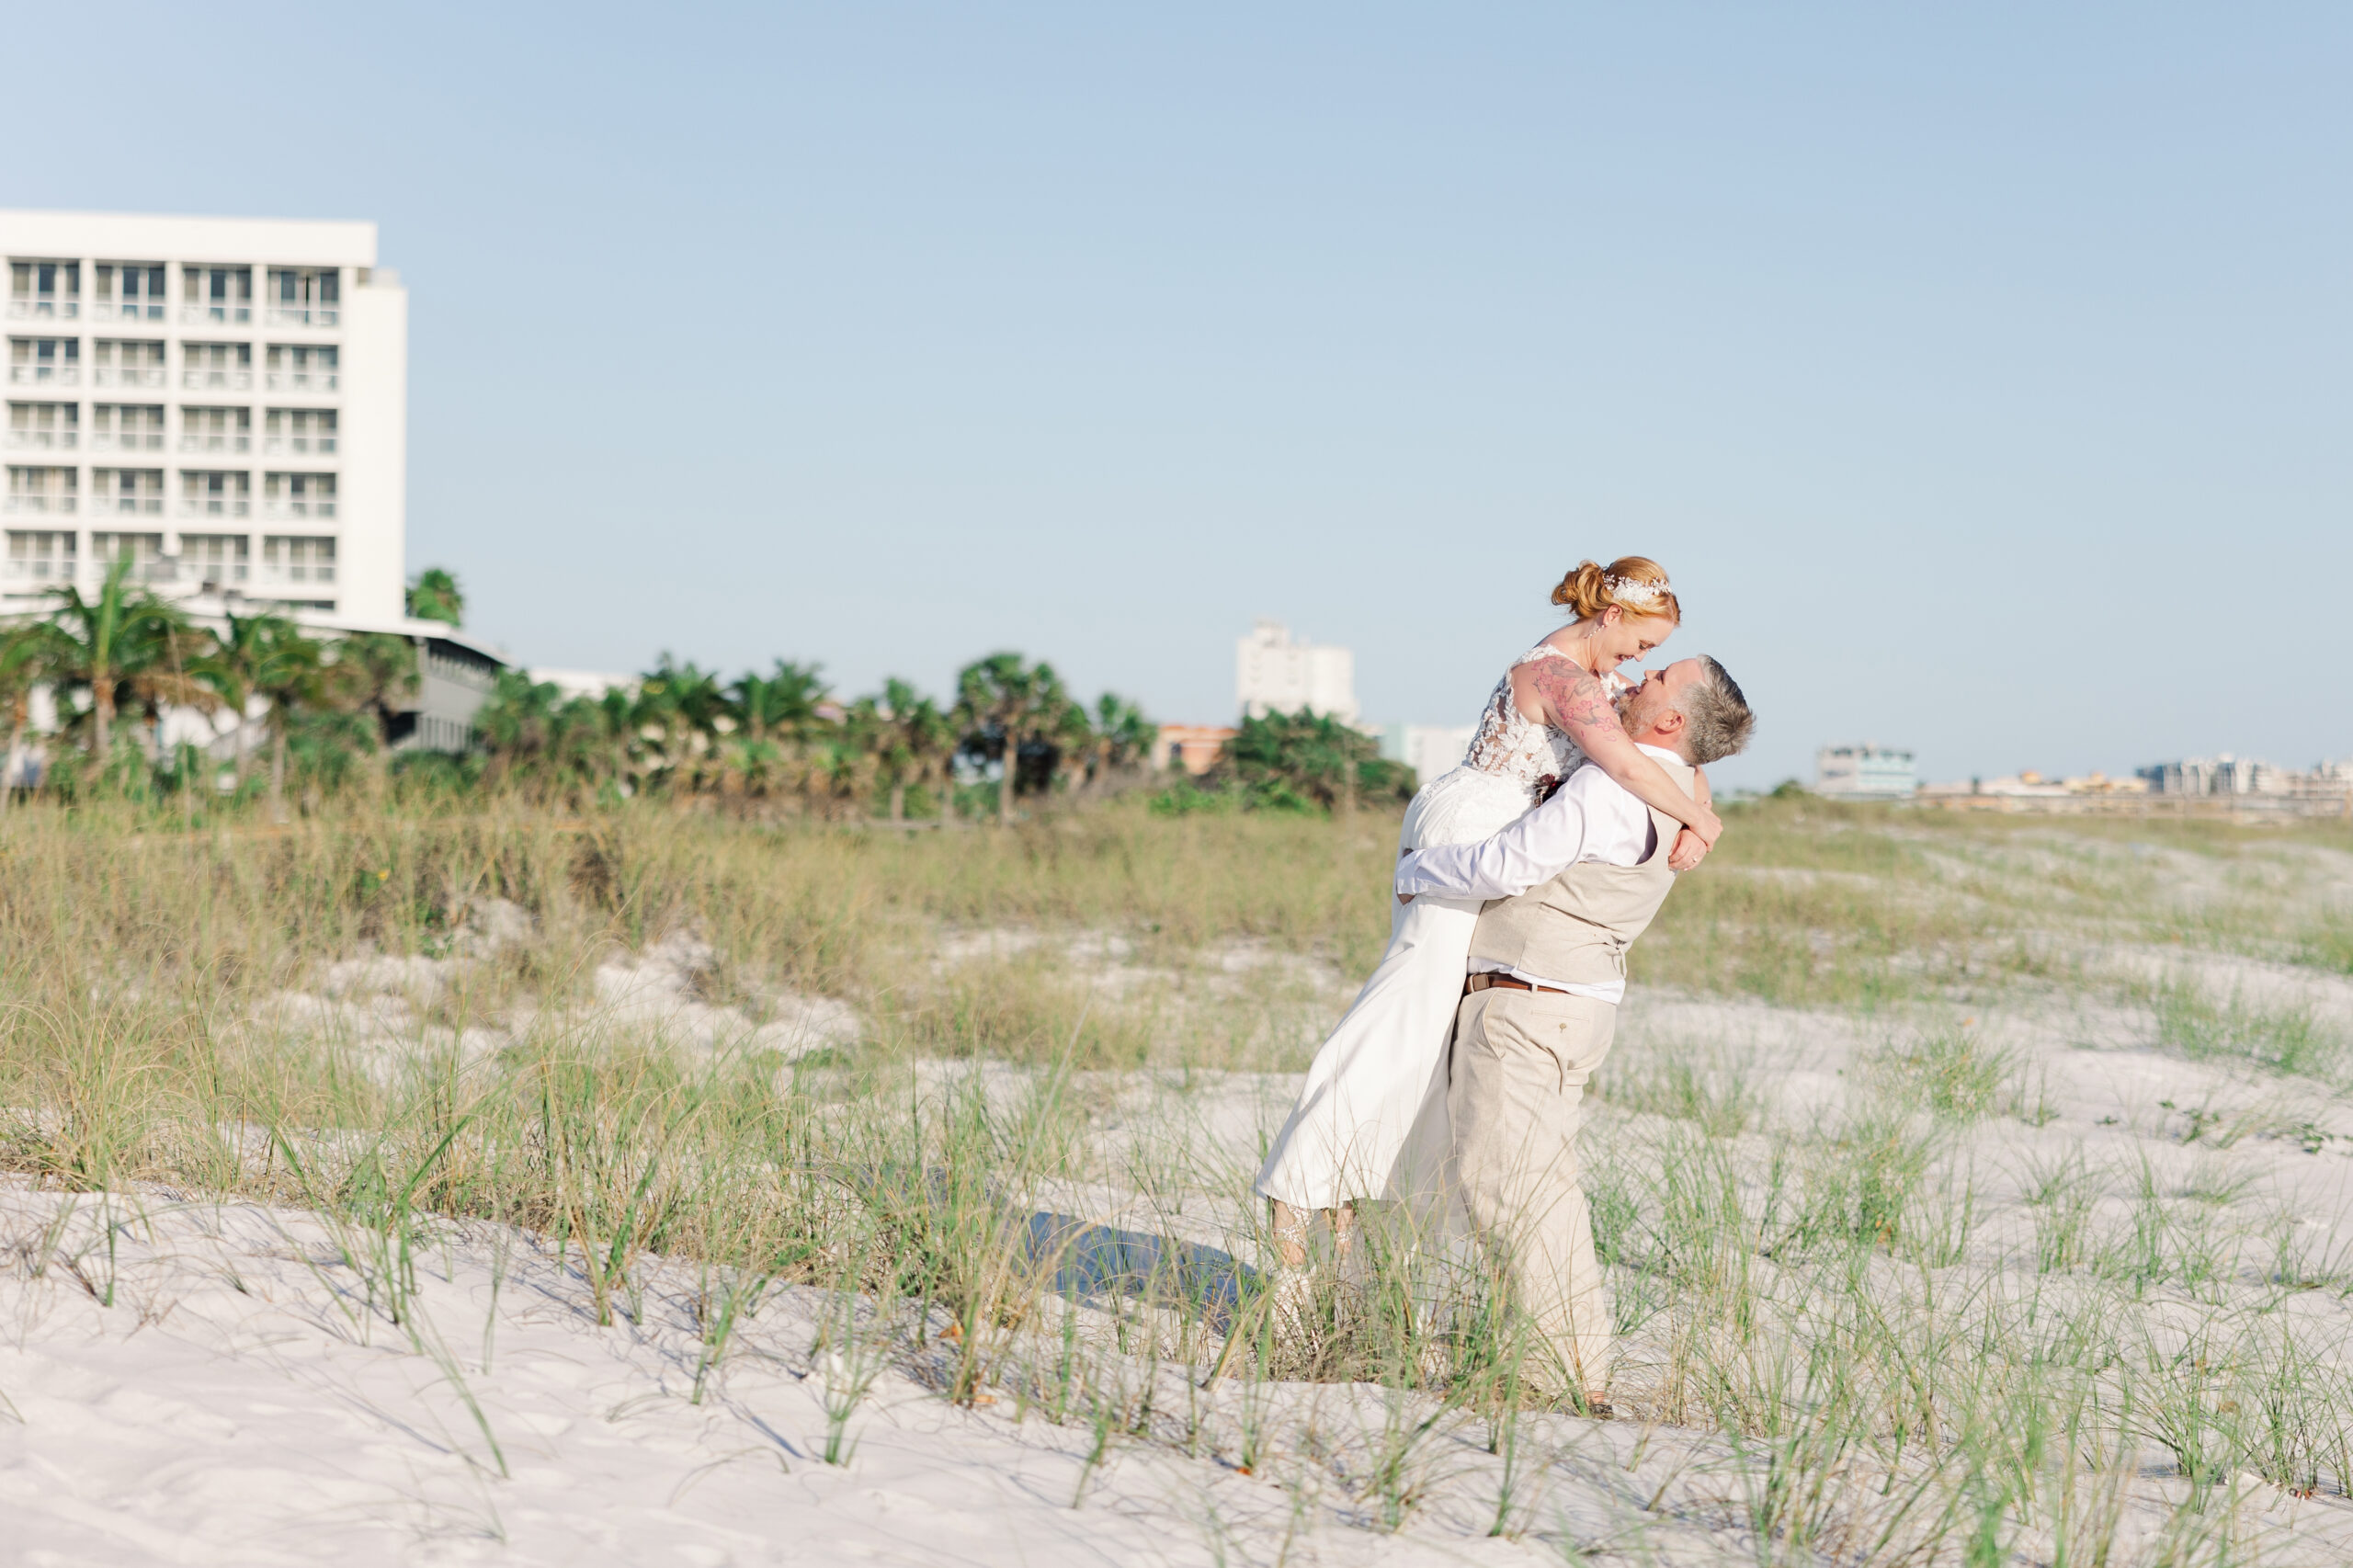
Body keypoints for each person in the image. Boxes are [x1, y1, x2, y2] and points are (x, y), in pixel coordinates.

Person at [1255, 557, 1725, 1267]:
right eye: (1645, 644)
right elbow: (1630, 765)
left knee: (1447, 1025)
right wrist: (1701, 823)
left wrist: (1699, 810)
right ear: (1611, 616)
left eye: (1655, 658)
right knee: (1414, 1006)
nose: (1643, 659)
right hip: (1470, 828)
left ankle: (1369, 1206)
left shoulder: (1606, 680)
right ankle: (1311, 1174)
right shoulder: (1559, 674)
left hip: (1507, 838)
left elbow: (1682, 750)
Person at [1394, 654, 1756, 1408]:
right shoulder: (1679, 787)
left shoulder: (1608, 787)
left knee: (1510, 1186)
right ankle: (1559, 1361)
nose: (1638, 676)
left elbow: (1508, 864)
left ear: (1671, 722)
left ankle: (1554, 1375)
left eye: (1658, 679)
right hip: (1571, 1004)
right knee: (1535, 1182)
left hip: (1533, 1003)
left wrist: (1418, 868)